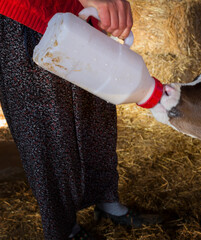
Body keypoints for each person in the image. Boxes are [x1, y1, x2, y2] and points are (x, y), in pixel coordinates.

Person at [0, 0, 160, 239]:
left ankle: (107, 202)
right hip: (29, 15)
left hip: (78, 13)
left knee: (97, 112)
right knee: (46, 126)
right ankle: (64, 230)